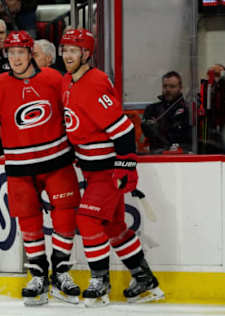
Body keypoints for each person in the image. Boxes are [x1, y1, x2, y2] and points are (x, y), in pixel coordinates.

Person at [0, 30, 81, 306]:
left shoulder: (53, 79)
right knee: (29, 221)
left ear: (31, 54)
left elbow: (75, 110)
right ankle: (38, 275)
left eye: (20, 53)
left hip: (58, 161)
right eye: (10, 53)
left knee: (64, 217)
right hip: (19, 166)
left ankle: (61, 273)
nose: (15, 58)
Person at [59, 28, 164, 306]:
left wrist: (126, 165)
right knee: (115, 226)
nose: (67, 55)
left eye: (73, 50)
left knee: (88, 219)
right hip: (91, 169)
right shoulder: (68, 81)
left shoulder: (94, 82)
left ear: (86, 54)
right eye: (65, 49)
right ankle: (145, 280)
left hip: (107, 169)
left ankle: (100, 283)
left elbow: (123, 128)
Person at [141, 71, 191, 154]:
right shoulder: (151, 109)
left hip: (181, 156)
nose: (167, 89)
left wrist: (159, 129)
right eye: (165, 86)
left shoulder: (187, 110)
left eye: (172, 86)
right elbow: (148, 135)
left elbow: (186, 138)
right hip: (157, 155)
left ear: (180, 88)